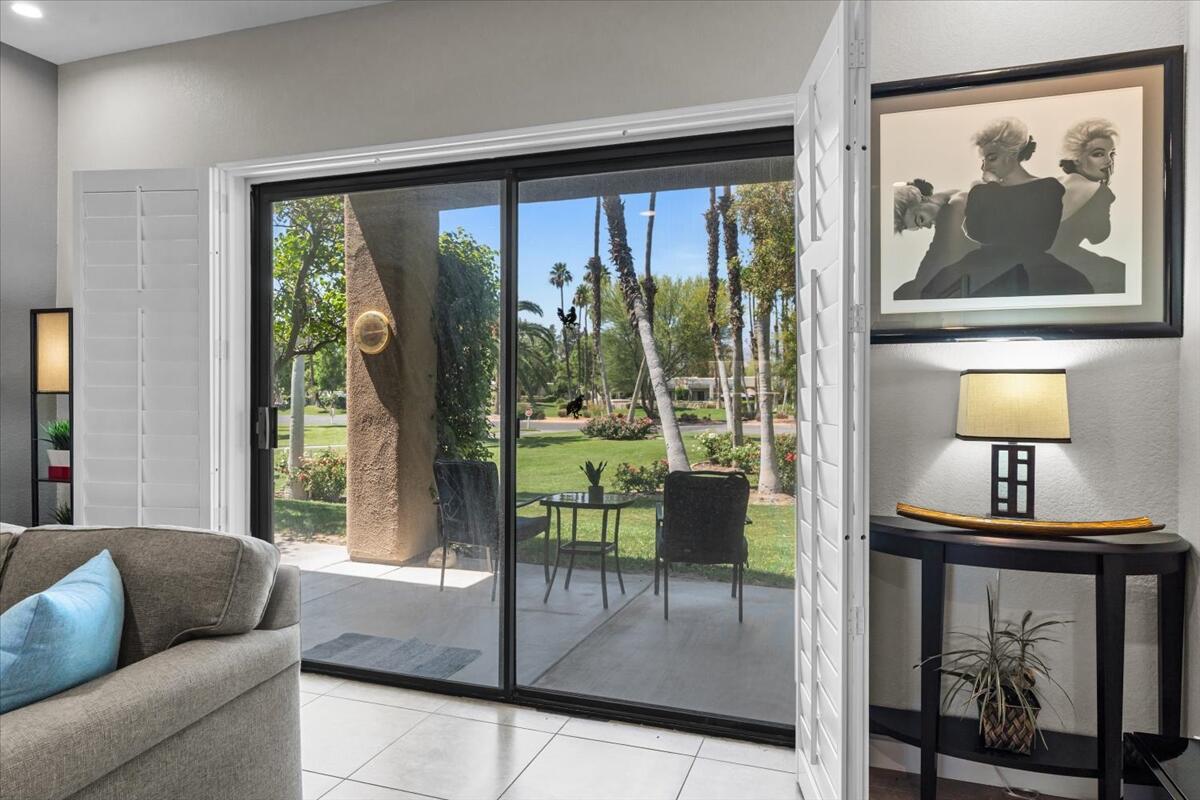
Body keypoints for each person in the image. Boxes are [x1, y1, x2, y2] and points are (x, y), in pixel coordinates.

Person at [920, 117, 1093, 299]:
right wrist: (991, 189)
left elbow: (1043, 239)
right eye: (983, 160)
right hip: (984, 264)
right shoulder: (981, 190)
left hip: (1033, 268)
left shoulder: (1048, 188)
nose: (985, 166)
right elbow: (977, 232)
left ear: (1012, 154)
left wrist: (992, 193)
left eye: (992, 158)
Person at [1050, 119, 1124, 293]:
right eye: (1098, 154)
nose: (1108, 161)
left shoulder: (1050, 183)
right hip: (1063, 267)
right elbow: (1098, 236)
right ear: (1076, 159)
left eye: (1111, 154)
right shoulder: (1099, 191)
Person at [891, 179, 977, 300]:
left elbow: (934, 265)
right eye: (919, 227)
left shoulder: (954, 207)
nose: (928, 226)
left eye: (921, 219)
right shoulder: (956, 199)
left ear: (922, 199)